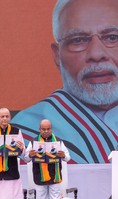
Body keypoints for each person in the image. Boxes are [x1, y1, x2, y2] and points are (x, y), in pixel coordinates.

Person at [12, 0, 118, 164]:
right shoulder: (25, 134)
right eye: (78, 40)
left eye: (112, 37)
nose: (96, 54)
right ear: (57, 55)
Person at [24, 119, 71, 199]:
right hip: (39, 177)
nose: (46, 131)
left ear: (51, 129)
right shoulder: (34, 142)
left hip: (55, 177)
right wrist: (30, 154)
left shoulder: (58, 141)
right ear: (39, 129)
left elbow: (68, 158)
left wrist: (63, 155)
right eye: (43, 129)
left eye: (48, 129)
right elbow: (26, 158)